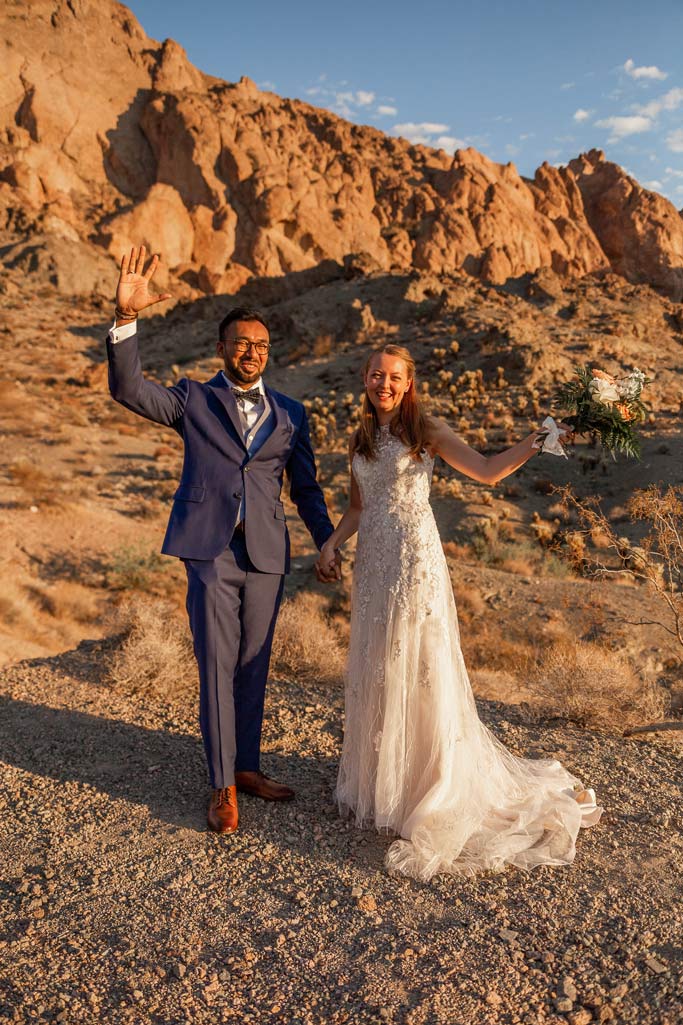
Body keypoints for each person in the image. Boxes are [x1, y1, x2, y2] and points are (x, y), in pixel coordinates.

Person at [316, 344, 601, 879]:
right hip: (374, 566)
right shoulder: (358, 439)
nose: (385, 384)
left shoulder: (428, 430)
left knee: (422, 668)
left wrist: (541, 437)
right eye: (377, 375)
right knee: (383, 665)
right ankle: (393, 781)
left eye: (395, 377)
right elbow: (359, 507)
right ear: (365, 378)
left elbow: (489, 472)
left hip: (414, 565)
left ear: (408, 382)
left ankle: (434, 784)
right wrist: (332, 544)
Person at [107, 246, 339, 835]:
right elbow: (130, 388)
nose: (251, 352)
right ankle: (220, 786)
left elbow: (306, 488)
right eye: (241, 343)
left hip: (265, 555)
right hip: (210, 549)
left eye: (260, 345)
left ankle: (247, 769)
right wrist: (126, 320)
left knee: (254, 665)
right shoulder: (193, 398)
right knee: (216, 663)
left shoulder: (291, 413)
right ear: (222, 347)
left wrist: (328, 541)